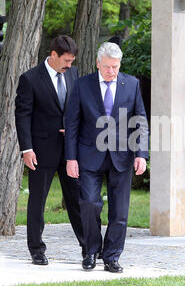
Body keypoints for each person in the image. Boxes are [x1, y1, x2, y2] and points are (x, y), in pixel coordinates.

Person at [65, 41, 149, 272]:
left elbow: (140, 121)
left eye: (115, 66)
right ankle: (91, 251)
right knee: (90, 203)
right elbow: (71, 124)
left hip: (122, 155)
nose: (111, 71)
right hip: (88, 155)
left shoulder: (131, 84)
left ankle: (112, 256)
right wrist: (70, 158)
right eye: (107, 67)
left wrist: (141, 154)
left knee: (119, 211)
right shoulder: (82, 85)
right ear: (97, 64)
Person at [15, 35, 85, 265]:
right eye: (66, 60)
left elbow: (78, 107)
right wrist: (27, 148)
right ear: (53, 55)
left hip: (70, 152)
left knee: (77, 200)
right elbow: (23, 115)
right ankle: (36, 249)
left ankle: (88, 247)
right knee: (38, 201)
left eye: (72, 61)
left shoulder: (73, 74)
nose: (69, 65)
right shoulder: (30, 79)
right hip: (41, 150)